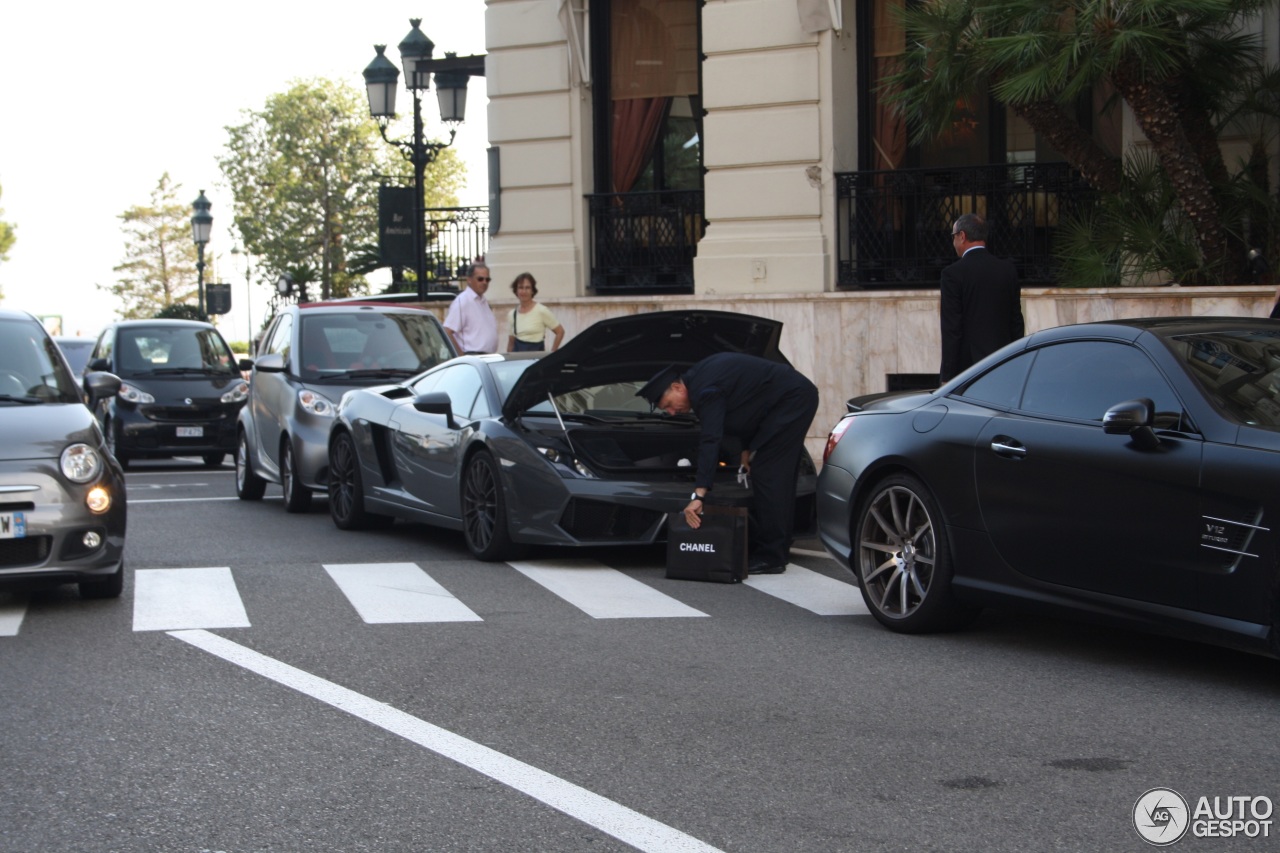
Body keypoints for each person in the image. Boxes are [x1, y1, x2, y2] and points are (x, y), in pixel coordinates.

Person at [637, 353, 819, 575]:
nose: (672, 412)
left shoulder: (705, 391)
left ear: (677, 387)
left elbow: (711, 440)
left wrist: (700, 494)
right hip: (785, 401)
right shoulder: (700, 379)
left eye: (668, 405)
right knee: (774, 475)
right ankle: (778, 546)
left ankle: (772, 557)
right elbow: (744, 408)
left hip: (793, 399)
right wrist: (745, 449)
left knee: (769, 474)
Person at [938, 213, 1024, 383]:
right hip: (1003, 366)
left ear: (962, 236)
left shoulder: (952, 274)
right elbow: (1016, 322)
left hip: (969, 372)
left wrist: (947, 376)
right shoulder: (1007, 270)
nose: (953, 242)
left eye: (953, 236)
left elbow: (952, 329)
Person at [443, 263, 499, 355]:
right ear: (469, 279)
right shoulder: (463, 301)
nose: (484, 282)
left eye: (487, 279)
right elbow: (448, 331)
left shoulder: (483, 302)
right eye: (480, 279)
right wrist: (461, 356)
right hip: (472, 355)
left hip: (487, 356)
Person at [506, 272, 565, 352]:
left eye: (527, 288)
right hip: (519, 360)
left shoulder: (541, 310)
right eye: (521, 287)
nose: (524, 291)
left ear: (532, 291)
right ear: (516, 291)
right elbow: (511, 342)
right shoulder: (512, 314)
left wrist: (552, 353)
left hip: (536, 359)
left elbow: (560, 332)